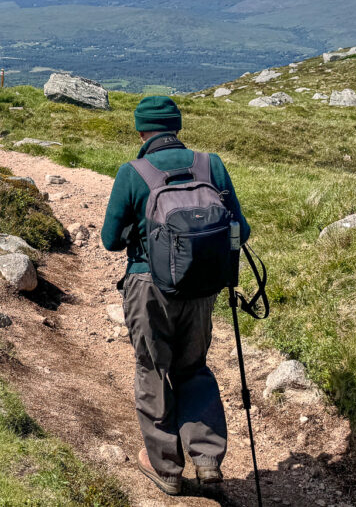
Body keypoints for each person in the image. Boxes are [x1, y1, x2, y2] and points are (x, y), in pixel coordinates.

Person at [101, 96, 250, 495]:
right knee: (193, 367)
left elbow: (110, 241)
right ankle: (206, 461)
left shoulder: (133, 172)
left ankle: (166, 469)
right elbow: (243, 231)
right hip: (202, 290)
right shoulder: (210, 164)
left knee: (154, 369)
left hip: (149, 287)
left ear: (140, 130)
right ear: (176, 127)